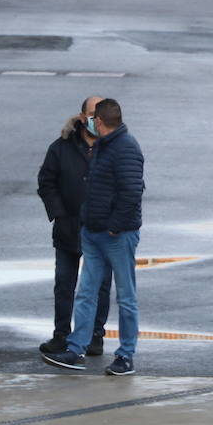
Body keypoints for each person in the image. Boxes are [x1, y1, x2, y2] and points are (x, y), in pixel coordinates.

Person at [42, 99, 145, 376]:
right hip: (94, 232)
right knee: (86, 292)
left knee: (125, 296)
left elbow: (133, 191)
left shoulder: (125, 148)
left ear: (98, 121)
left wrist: (115, 226)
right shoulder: (104, 145)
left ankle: (125, 355)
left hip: (116, 235)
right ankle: (76, 348)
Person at [36, 97, 114, 357]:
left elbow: (129, 184)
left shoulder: (116, 148)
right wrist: (59, 213)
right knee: (64, 283)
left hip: (102, 230)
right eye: (93, 114)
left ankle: (95, 335)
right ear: (83, 117)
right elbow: (46, 181)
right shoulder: (61, 147)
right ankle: (61, 334)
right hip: (68, 226)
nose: (98, 119)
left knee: (100, 285)